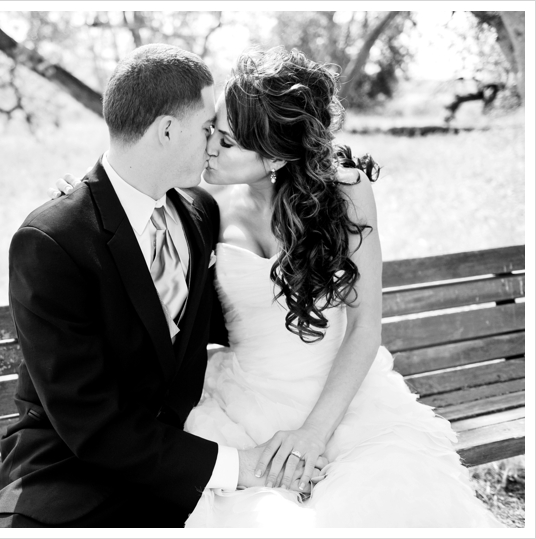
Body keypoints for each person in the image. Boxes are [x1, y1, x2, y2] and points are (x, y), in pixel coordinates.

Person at [57, 47, 504, 528]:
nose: (208, 148)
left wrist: (313, 433)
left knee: (380, 502)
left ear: (275, 156)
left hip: (343, 398)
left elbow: (364, 327)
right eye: (211, 131)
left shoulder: (346, 194)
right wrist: (81, 198)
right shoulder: (200, 205)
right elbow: (125, 199)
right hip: (242, 401)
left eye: (225, 142)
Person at [0, 43, 324, 528]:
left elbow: (222, 322)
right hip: (70, 476)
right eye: (209, 128)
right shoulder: (52, 240)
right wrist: (240, 466)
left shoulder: (200, 213)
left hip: (178, 461)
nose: (213, 143)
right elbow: (90, 423)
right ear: (168, 130)